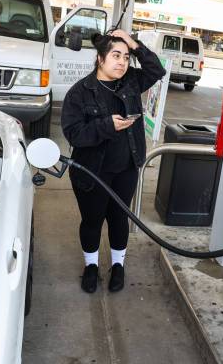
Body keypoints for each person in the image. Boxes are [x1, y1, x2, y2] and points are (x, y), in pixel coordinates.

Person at [61, 29, 166, 293]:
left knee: (119, 218)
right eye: (115, 55)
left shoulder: (131, 81)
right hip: (91, 172)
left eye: (126, 57)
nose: (122, 62)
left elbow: (156, 70)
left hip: (126, 168)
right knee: (92, 220)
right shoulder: (80, 92)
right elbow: (73, 133)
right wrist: (106, 125)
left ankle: (118, 265)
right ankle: (91, 266)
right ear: (100, 58)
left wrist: (133, 43)